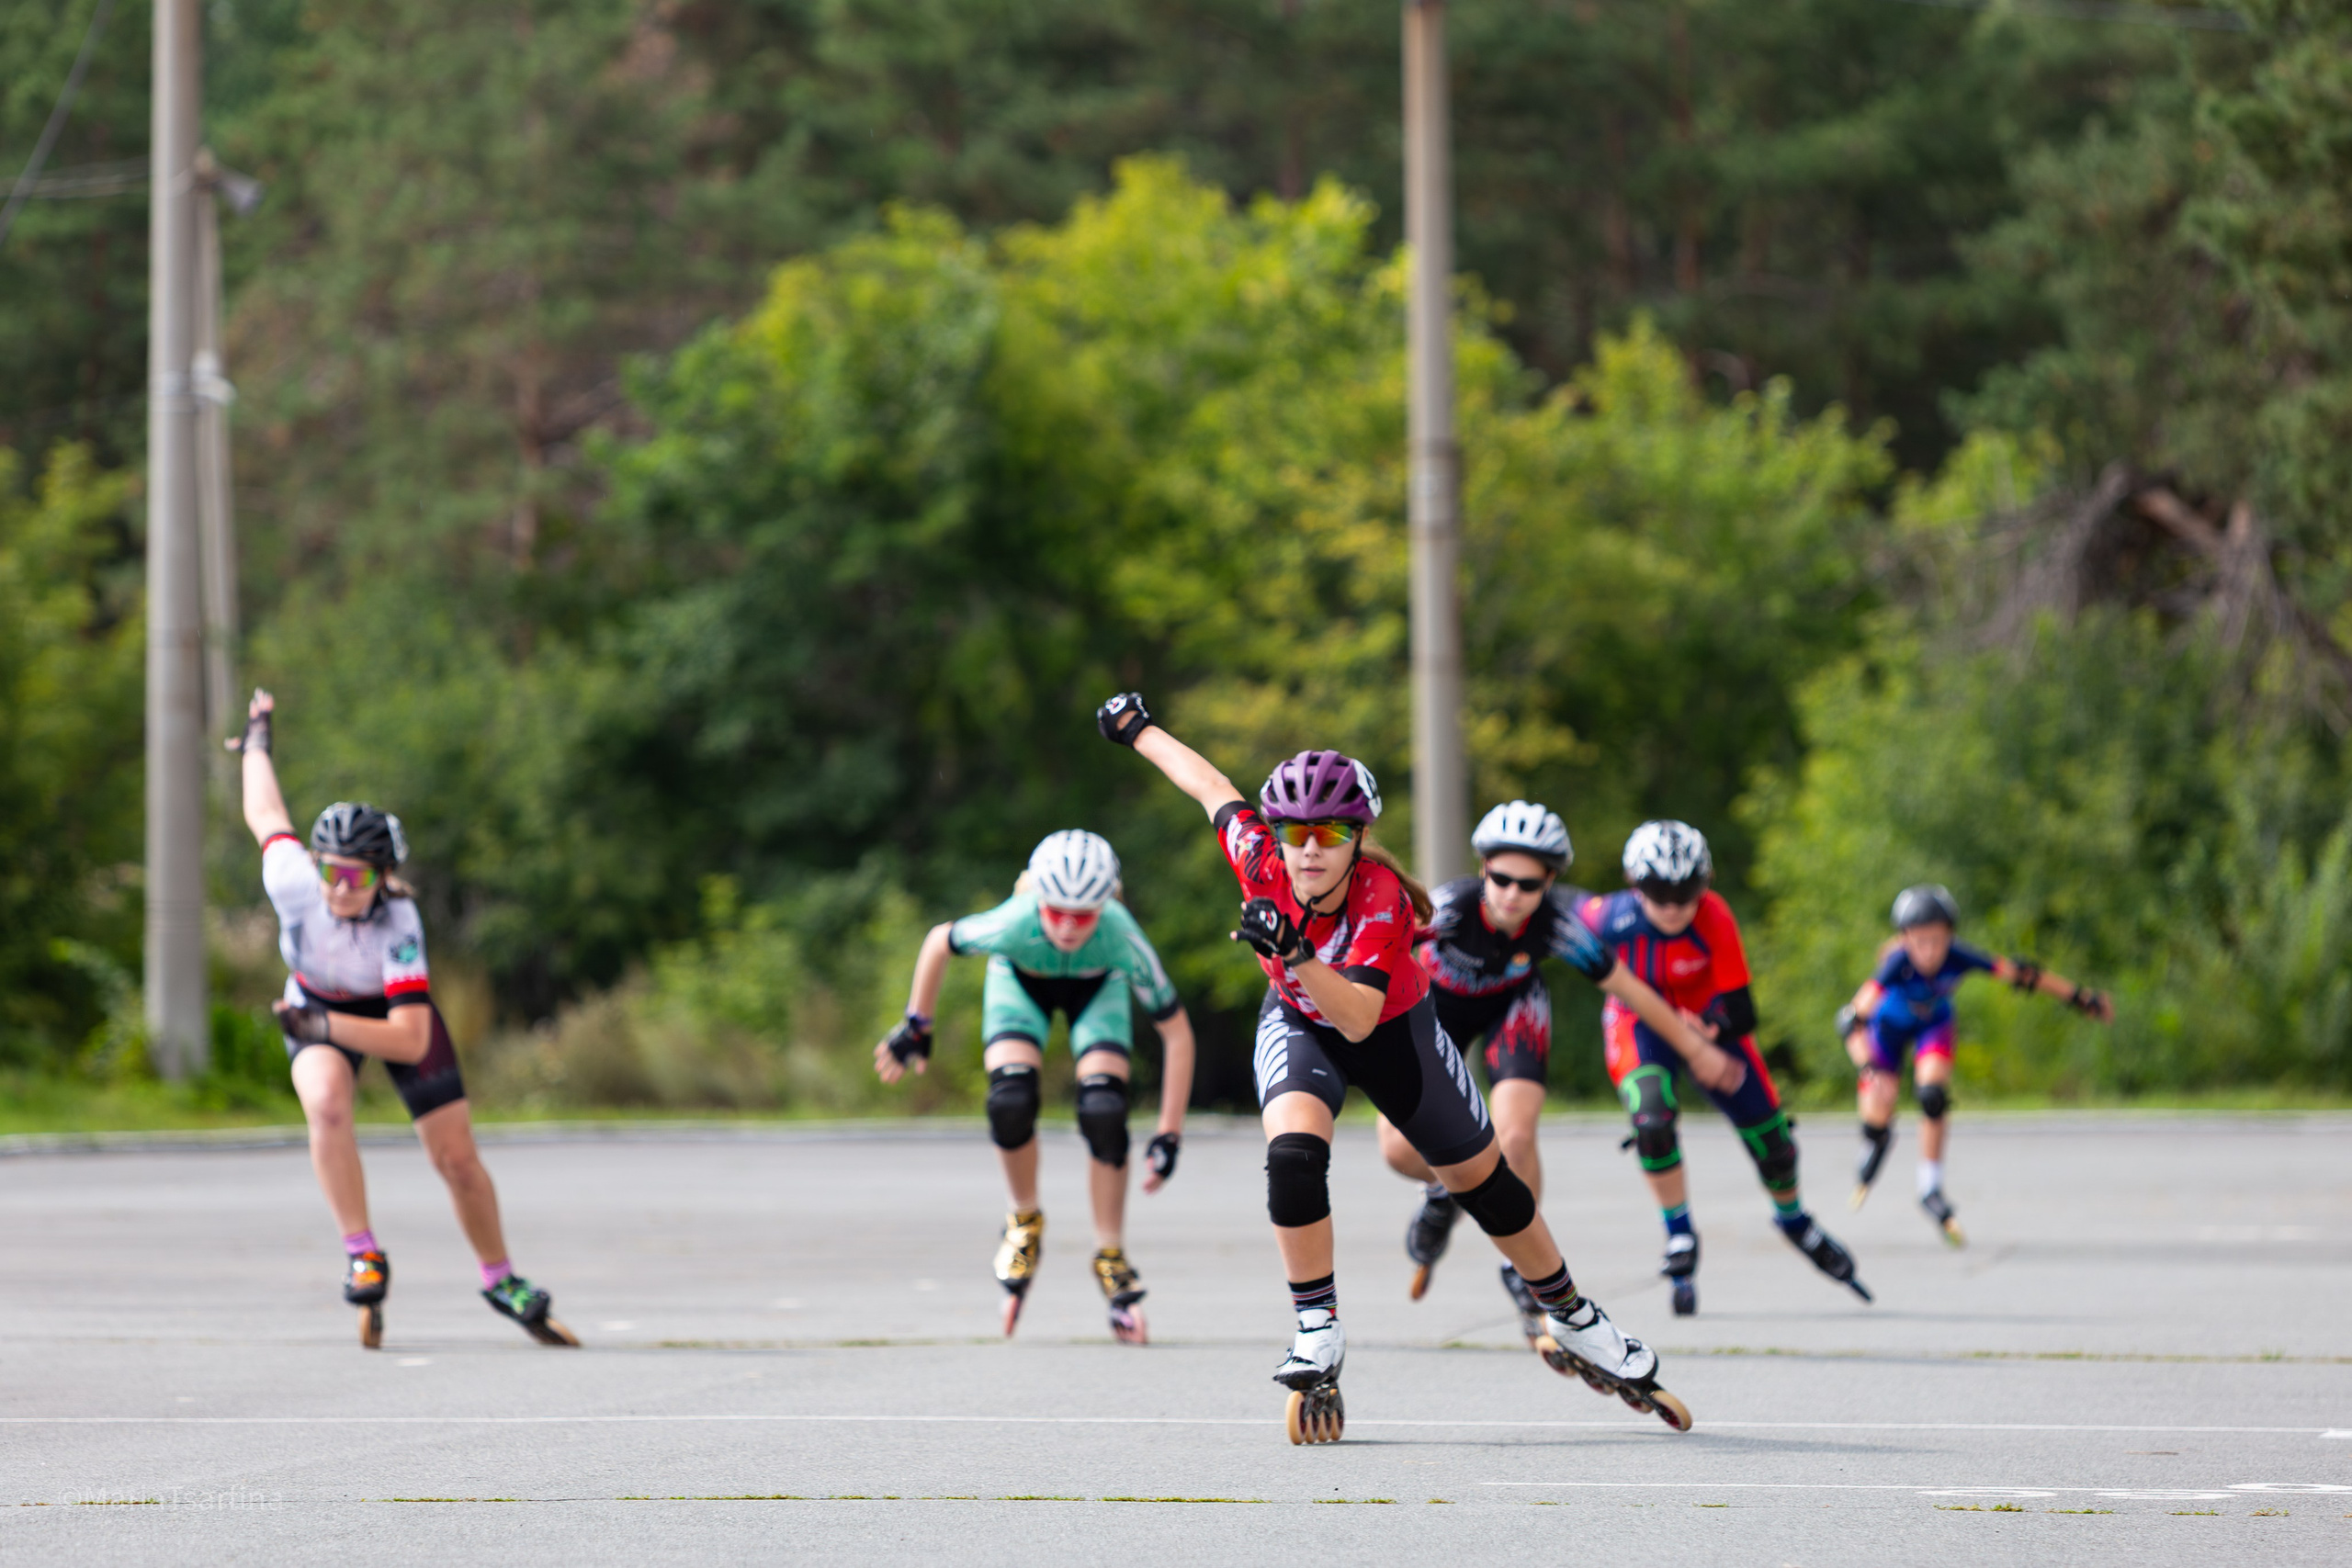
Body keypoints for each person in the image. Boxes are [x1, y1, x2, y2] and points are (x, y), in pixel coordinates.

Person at [1100, 693, 1690, 1439]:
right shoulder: (1260, 856)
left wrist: (1294, 951)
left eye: (1331, 833)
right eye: (1295, 833)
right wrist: (1138, 729)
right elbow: (1210, 786)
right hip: (1295, 1024)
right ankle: (1318, 1326)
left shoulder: (1382, 898)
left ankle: (1574, 1315)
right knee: (1291, 1156)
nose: (1309, 849)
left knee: (1492, 1188)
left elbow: (1357, 1015)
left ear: (1359, 838)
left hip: (1391, 1031)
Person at [231, 690, 575, 1349]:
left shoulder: (400, 923)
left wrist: (325, 1030)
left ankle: (501, 1278)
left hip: (377, 1015)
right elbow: (264, 808)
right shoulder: (292, 878)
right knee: (327, 1104)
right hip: (318, 1003)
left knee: (456, 1159)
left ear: (384, 877)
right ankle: (362, 1250)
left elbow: (410, 1036)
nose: (338, 889)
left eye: (355, 878)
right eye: (329, 871)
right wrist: (256, 737)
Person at [1379, 800, 1734, 1345]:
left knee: (1515, 1138)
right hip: (1432, 1010)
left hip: (1512, 1009)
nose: (1512, 895)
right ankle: (1445, 1191)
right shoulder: (1450, 909)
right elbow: (1374, 952)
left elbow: (1632, 991)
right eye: (1501, 878)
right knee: (1399, 1150)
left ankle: (1525, 1270)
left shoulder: (1555, 927)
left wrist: (1698, 1049)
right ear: (1483, 870)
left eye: (1529, 885)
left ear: (1549, 883)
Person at [874, 829, 1194, 1342]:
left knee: (1105, 1111)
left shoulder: (1121, 934)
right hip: (1020, 982)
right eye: (1056, 911)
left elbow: (1177, 1033)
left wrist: (1169, 1132)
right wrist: (918, 1025)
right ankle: (1024, 1221)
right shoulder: (1015, 921)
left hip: (1098, 988)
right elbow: (939, 940)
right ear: (1037, 898)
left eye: (1083, 914)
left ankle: (1110, 1253)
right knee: (1011, 1100)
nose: (1068, 926)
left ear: (1107, 904)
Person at [1578, 820, 1869, 1314]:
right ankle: (1679, 1234)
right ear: (1633, 885)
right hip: (1639, 1027)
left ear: (1705, 885)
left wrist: (1707, 1032)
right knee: (1652, 1121)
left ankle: (1794, 1221)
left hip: (1709, 1026)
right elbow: (1550, 901)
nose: (1672, 907)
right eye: (1658, 894)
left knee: (1775, 1145)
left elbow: (1743, 1011)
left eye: (1686, 893)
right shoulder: (1607, 917)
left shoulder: (1714, 916)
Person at [1840, 884, 2113, 1245]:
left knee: (1932, 1096)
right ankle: (1876, 1140)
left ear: (1950, 936)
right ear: (1904, 938)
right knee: (1878, 1112)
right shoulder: (1896, 964)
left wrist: (2081, 998)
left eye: (1938, 941)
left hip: (1933, 1026)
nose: (1930, 951)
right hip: (1886, 1030)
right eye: (1920, 941)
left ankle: (1930, 1187)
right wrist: (1867, 1067)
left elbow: (2023, 975)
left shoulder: (1959, 955)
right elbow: (1848, 1021)